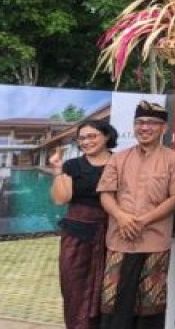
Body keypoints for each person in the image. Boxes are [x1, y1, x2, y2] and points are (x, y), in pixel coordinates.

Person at [96, 101, 175, 329]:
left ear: (164, 128)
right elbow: (106, 194)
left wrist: (143, 221)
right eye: (139, 122)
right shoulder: (118, 158)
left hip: (154, 240)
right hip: (120, 239)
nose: (144, 127)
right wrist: (121, 217)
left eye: (152, 123)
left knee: (150, 301)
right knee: (113, 299)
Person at [50, 118, 118, 329]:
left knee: (109, 288)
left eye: (92, 136)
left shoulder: (120, 162)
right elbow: (61, 199)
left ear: (106, 136)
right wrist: (58, 170)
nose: (86, 142)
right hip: (76, 235)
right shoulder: (72, 165)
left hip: (112, 234)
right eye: (82, 138)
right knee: (73, 285)